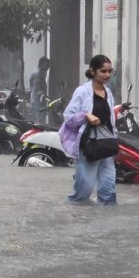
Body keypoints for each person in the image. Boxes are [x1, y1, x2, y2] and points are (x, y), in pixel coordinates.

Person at [59, 54, 120, 206]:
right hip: (87, 145)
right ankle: (77, 219)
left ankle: (106, 223)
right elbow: (68, 116)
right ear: (92, 71)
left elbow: (110, 120)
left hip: (105, 144)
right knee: (83, 191)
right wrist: (86, 115)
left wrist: (115, 143)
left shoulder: (109, 93)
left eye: (109, 71)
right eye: (103, 71)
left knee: (108, 189)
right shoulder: (82, 92)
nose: (107, 75)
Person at [29, 56, 50, 124]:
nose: (47, 67)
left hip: (37, 100)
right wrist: (44, 94)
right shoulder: (38, 74)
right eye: (46, 65)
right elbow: (36, 89)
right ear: (41, 64)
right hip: (37, 101)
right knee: (39, 120)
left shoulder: (40, 73)